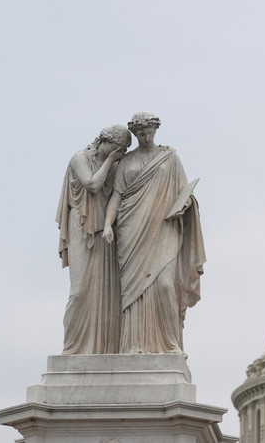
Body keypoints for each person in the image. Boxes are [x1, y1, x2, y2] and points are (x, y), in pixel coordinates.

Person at [103, 111, 205, 354]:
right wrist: (108, 224)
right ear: (135, 134)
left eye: (149, 132)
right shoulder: (126, 162)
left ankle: (170, 345)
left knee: (164, 285)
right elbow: (116, 196)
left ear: (156, 131)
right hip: (131, 229)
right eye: (140, 133)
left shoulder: (169, 158)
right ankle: (133, 345)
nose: (145, 136)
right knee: (133, 291)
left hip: (163, 228)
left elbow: (184, 191)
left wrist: (185, 205)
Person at [56, 124, 130, 354]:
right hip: (81, 226)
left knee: (105, 293)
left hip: (105, 231)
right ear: (104, 141)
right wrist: (111, 161)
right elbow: (92, 185)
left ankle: (103, 349)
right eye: (117, 148)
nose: (120, 154)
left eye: (124, 151)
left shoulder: (117, 165)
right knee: (79, 290)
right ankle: (72, 348)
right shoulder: (80, 158)